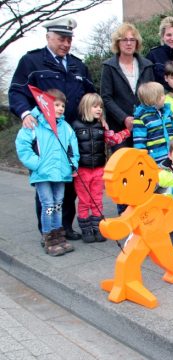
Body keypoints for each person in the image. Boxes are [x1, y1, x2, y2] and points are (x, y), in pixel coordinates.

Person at [9, 17, 94, 241]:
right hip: (44, 136)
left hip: (70, 134)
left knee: (68, 186)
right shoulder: (32, 61)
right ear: (48, 37)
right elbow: (17, 91)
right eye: (61, 39)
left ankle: (64, 226)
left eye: (69, 39)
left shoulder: (78, 65)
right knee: (47, 192)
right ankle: (48, 231)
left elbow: (90, 95)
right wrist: (25, 113)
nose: (66, 44)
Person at [15, 89, 79, 256]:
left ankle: (58, 235)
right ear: (45, 105)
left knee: (58, 203)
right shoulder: (34, 124)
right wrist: (37, 164)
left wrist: (73, 165)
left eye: (62, 106)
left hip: (61, 173)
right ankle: (48, 237)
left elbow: (73, 148)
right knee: (48, 205)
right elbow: (23, 146)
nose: (60, 108)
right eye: (56, 105)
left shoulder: (65, 127)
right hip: (43, 174)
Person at [101, 22, 154, 150]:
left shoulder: (147, 66)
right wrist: (124, 118)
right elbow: (106, 98)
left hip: (145, 127)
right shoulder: (109, 67)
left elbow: (152, 95)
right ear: (117, 43)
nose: (129, 43)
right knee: (123, 166)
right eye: (124, 40)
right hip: (119, 129)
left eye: (132, 40)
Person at [71, 93, 107, 244]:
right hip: (83, 170)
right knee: (85, 200)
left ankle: (97, 226)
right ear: (86, 107)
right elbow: (70, 147)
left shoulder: (101, 125)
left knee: (97, 199)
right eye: (95, 106)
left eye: (100, 106)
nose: (99, 109)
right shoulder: (75, 126)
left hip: (98, 168)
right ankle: (86, 229)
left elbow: (110, 140)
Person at [132, 82, 173, 164]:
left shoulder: (167, 112)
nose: (165, 97)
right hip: (156, 161)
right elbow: (139, 142)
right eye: (162, 96)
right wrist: (142, 159)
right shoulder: (141, 117)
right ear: (153, 99)